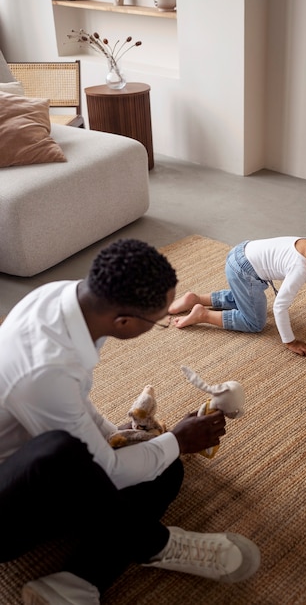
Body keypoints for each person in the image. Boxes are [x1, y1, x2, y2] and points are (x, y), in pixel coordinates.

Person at [0, 239, 260, 605]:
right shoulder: (43, 369)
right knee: (79, 453)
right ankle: (158, 544)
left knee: (165, 468)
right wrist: (179, 441)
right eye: (157, 321)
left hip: (29, 456)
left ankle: (74, 585)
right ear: (123, 321)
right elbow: (108, 471)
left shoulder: (60, 299)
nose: (161, 323)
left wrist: (116, 434)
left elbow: (72, 399)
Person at [169, 199, 306, 357]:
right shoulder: (299, 268)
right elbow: (280, 307)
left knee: (246, 298)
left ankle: (196, 298)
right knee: (255, 321)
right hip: (244, 269)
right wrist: (290, 341)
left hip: (242, 253)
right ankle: (204, 315)